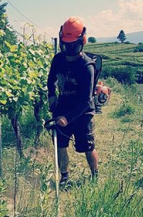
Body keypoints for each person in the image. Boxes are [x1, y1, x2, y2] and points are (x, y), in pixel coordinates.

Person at [47, 16, 98, 184]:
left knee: (87, 146)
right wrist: (52, 96)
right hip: (62, 107)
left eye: (73, 45)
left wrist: (67, 118)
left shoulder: (87, 67)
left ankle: (95, 175)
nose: (69, 49)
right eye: (66, 45)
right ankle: (64, 177)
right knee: (61, 144)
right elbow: (50, 80)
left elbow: (85, 100)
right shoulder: (58, 59)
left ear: (82, 41)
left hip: (82, 112)